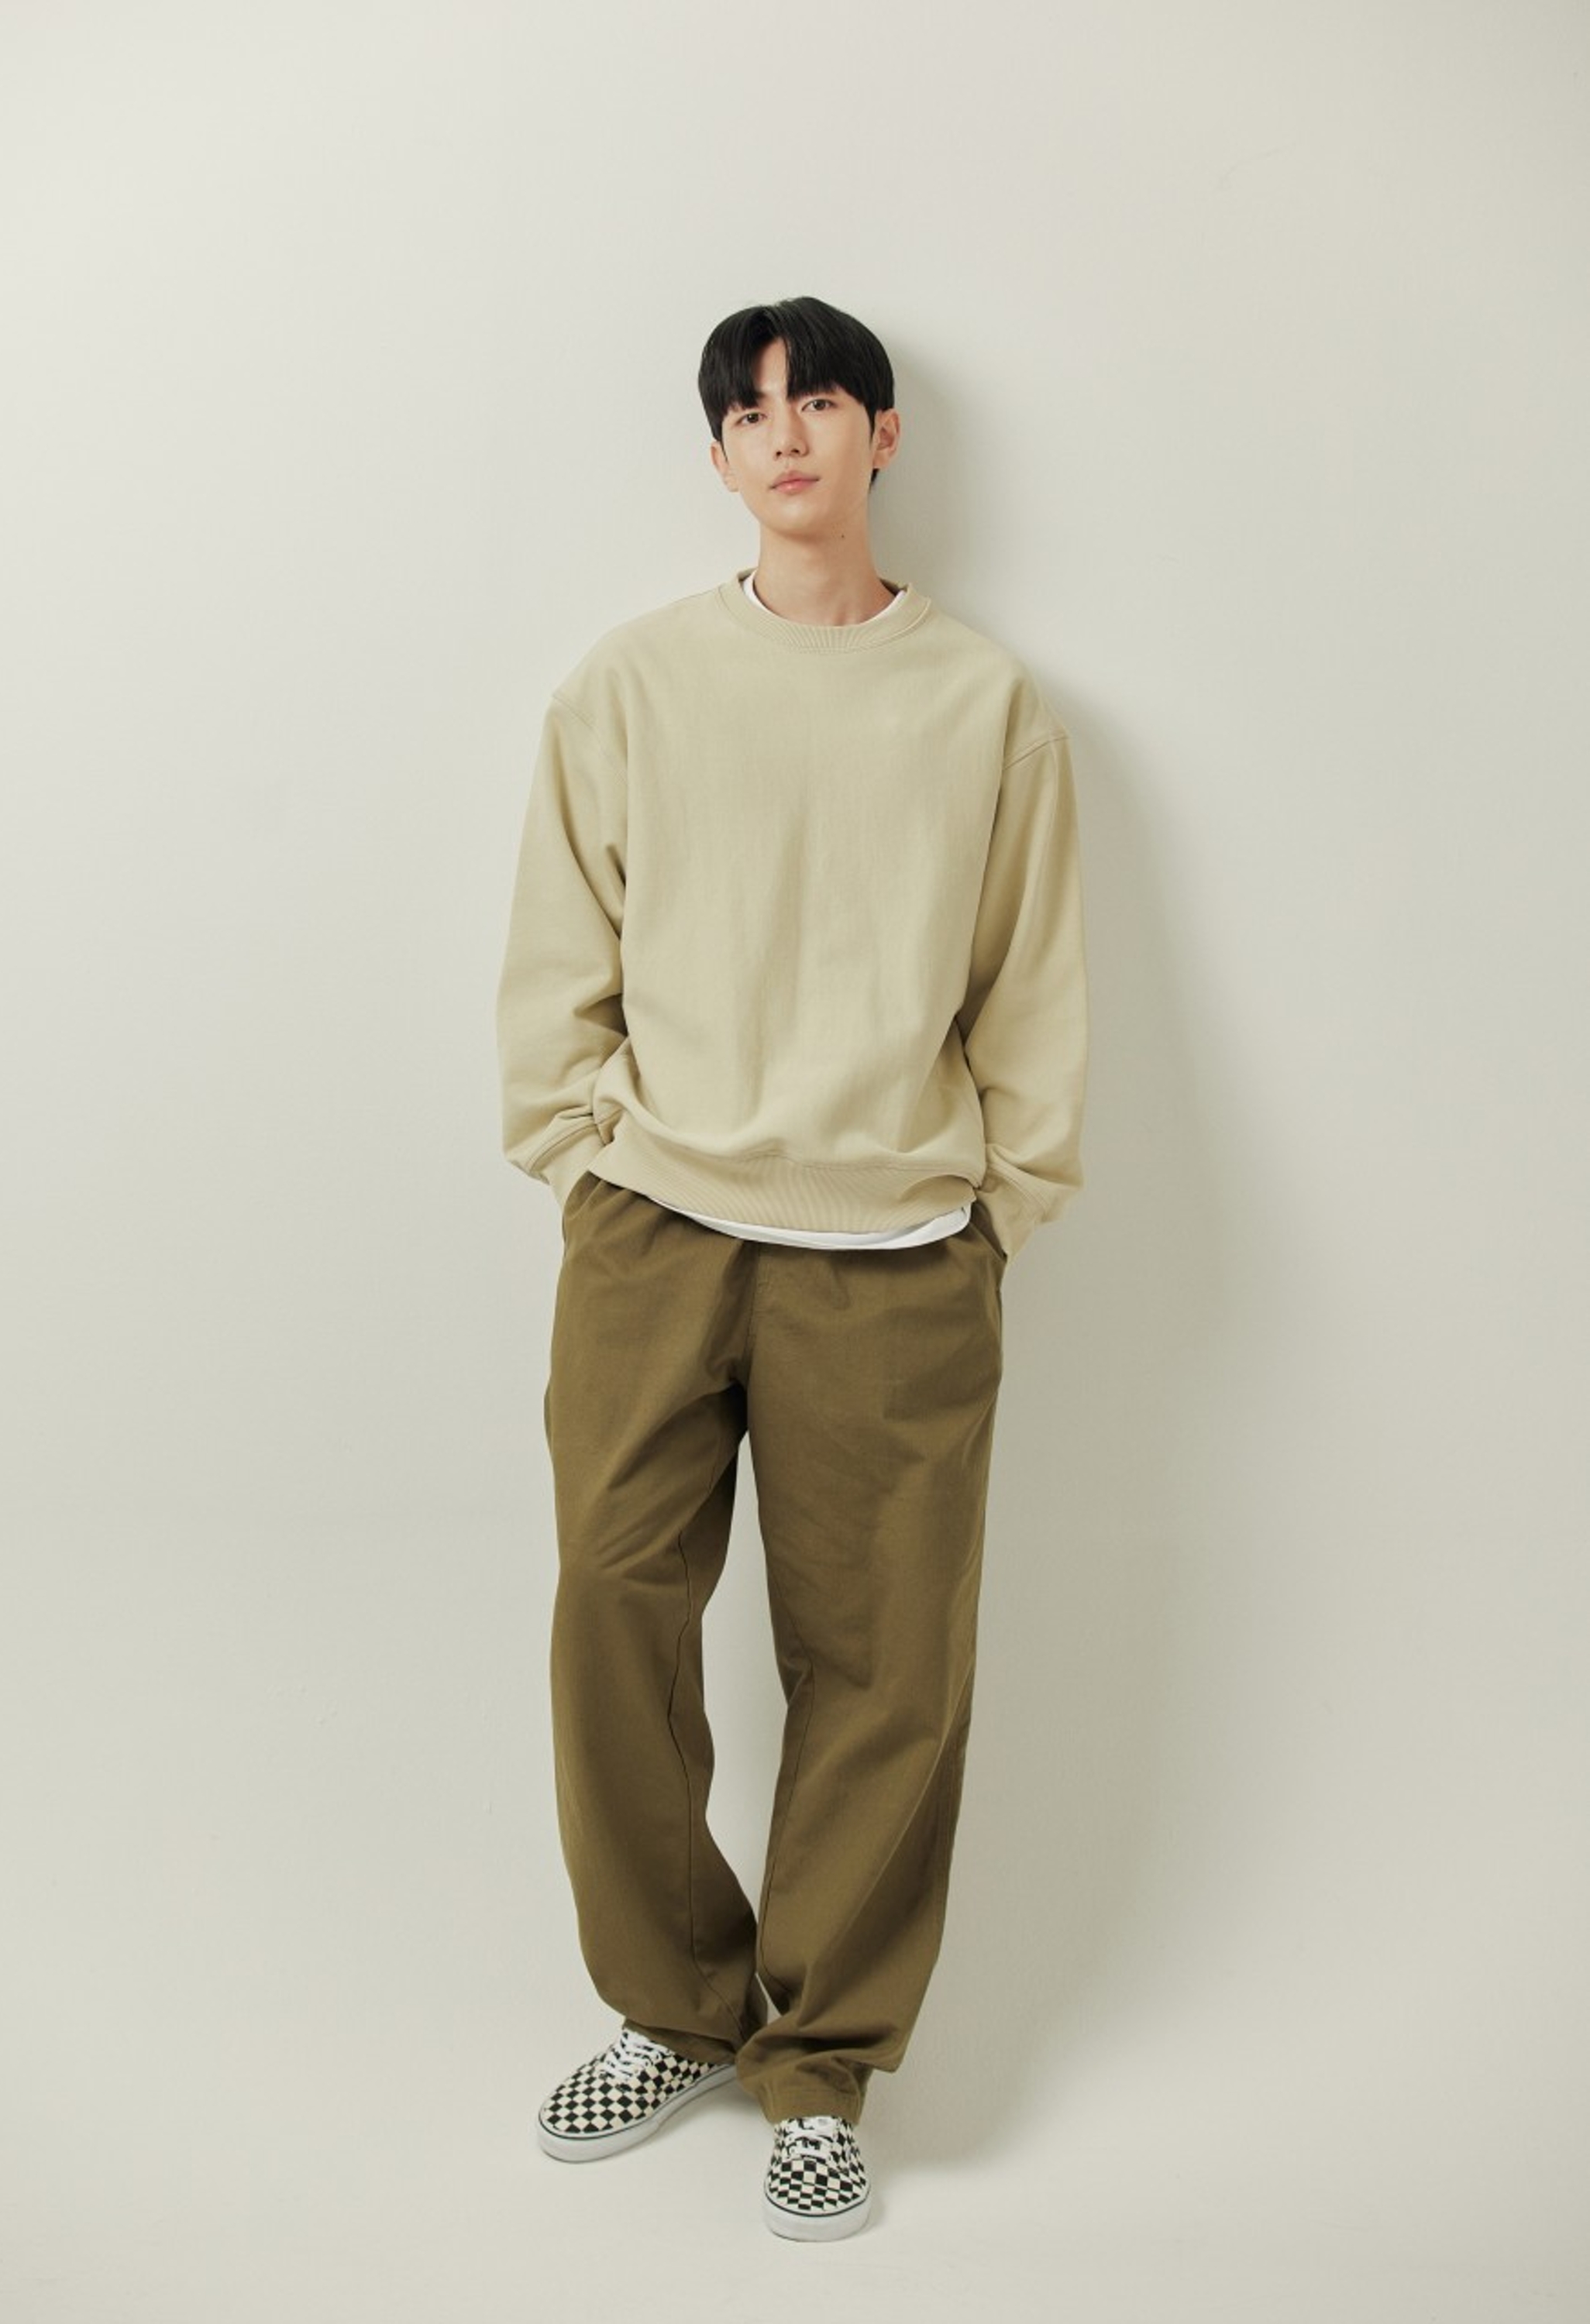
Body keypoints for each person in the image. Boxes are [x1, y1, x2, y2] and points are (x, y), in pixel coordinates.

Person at [495, 295, 1087, 2240]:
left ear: (880, 436)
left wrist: (1001, 1202)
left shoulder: (983, 703)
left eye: (818, 401)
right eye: (749, 413)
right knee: (612, 1607)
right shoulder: (632, 686)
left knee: (887, 1669)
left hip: (899, 1250)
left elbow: (1030, 976)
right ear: (720, 458)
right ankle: (677, 2006)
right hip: (657, 1222)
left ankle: (818, 2062)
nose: (785, 435)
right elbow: (559, 947)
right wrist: (579, 1152)